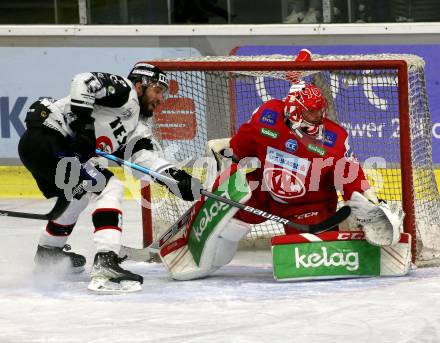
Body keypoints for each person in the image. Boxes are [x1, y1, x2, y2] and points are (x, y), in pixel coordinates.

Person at [18, 63, 202, 292]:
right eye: (157, 90)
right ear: (140, 85)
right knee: (109, 187)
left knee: (81, 193)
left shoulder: (138, 126)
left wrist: (174, 178)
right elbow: (83, 81)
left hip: (47, 148)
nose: (160, 99)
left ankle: (48, 253)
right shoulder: (124, 91)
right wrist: (84, 126)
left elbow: (142, 157)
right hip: (49, 139)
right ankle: (106, 262)